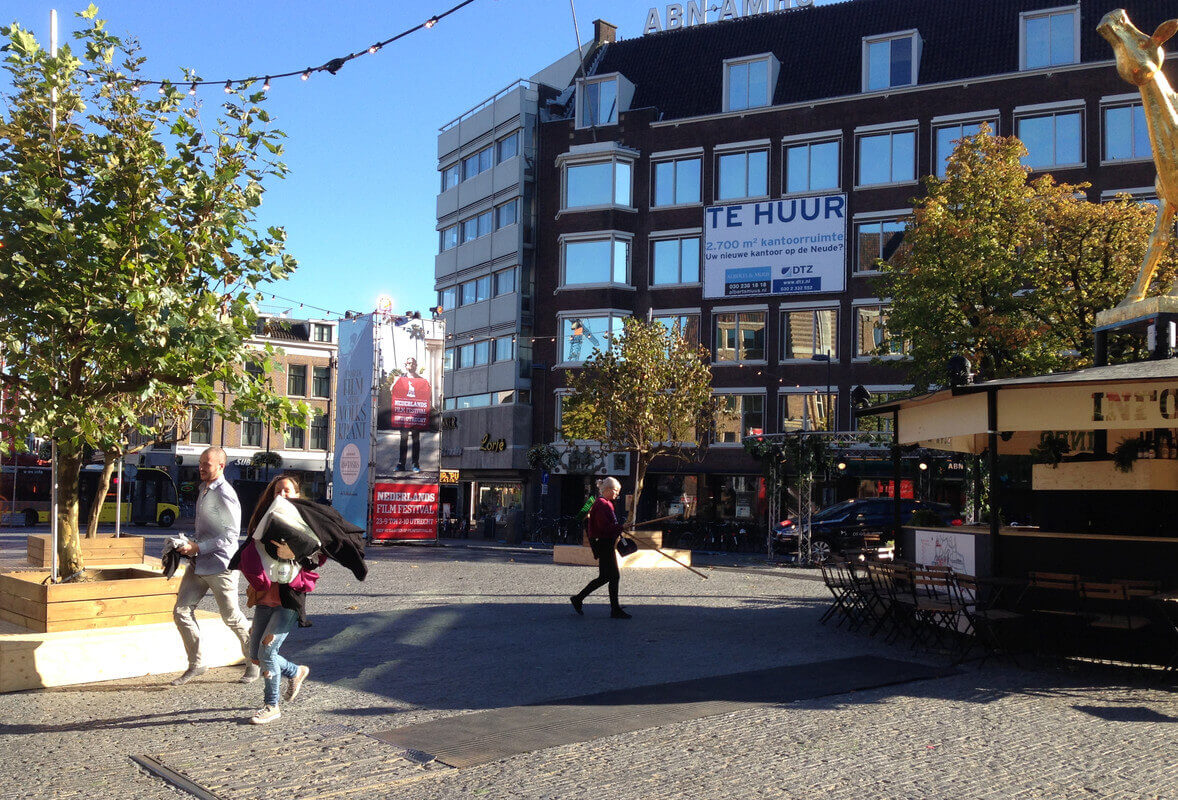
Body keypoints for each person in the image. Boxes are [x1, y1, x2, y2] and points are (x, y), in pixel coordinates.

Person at [236, 475, 321, 725]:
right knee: (255, 654)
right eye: (277, 491)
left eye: (287, 490)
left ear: (297, 494)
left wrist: (296, 552)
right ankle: (296, 671)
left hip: (288, 598)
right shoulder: (264, 520)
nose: (282, 495)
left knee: (268, 649)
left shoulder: (307, 520)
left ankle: (271, 705)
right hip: (265, 595)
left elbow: (319, 556)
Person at [171, 446, 254, 686]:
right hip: (198, 563)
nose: (201, 468)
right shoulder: (204, 489)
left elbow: (230, 536)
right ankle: (197, 664)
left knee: (231, 617)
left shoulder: (225, 492)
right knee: (181, 612)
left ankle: (254, 662)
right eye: (200, 463)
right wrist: (190, 543)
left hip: (220, 565)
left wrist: (198, 547)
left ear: (221, 466)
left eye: (206, 464)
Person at [570, 477, 633, 619]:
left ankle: (580, 599)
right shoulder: (602, 504)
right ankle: (613, 609)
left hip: (605, 544)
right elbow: (604, 528)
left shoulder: (605, 504)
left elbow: (607, 526)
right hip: (604, 544)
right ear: (608, 489)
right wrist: (621, 527)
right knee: (612, 576)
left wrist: (620, 528)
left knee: (606, 577)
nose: (617, 494)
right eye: (616, 491)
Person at [390, 357, 431, 472]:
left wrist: (428, 388)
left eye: (413, 363)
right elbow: (393, 391)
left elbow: (426, 395)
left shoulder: (421, 380)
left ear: (416, 365)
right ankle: (401, 464)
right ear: (405, 365)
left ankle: (415, 464)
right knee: (403, 440)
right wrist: (393, 385)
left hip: (416, 416)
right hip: (404, 416)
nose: (411, 365)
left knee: (415, 440)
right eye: (409, 363)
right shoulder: (400, 379)